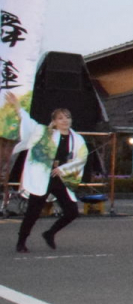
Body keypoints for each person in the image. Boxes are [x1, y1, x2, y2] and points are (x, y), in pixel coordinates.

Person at [6, 93, 89, 253]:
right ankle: (21, 241)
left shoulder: (77, 138)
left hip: (60, 178)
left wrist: (63, 169)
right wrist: (17, 107)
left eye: (67, 117)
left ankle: (50, 233)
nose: (65, 121)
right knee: (33, 212)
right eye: (60, 118)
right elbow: (28, 123)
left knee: (72, 211)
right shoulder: (45, 133)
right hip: (42, 176)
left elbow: (81, 157)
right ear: (54, 121)